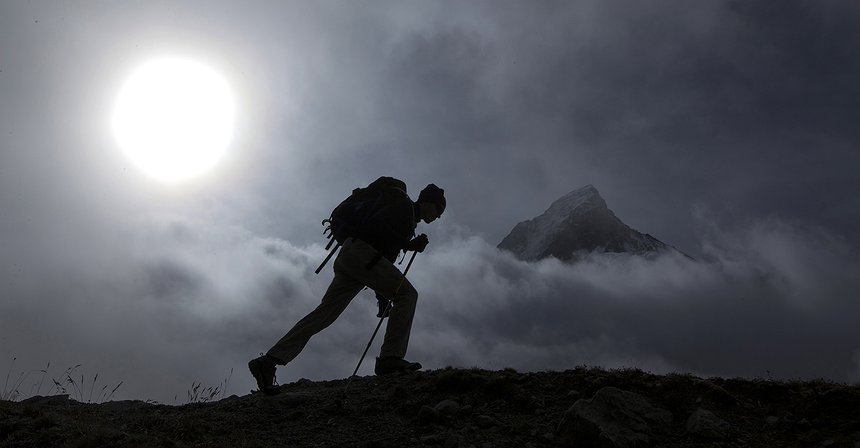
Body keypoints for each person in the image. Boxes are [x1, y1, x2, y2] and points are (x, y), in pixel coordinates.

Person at [249, 180, 446, 395]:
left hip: (351, 255)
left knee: (325, 313)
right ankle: (391, 358)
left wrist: (383, 298)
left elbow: (384, 255)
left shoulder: (404, 212)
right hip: (362, 254)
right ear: (428, 203)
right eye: (438, 209)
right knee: (408, 295)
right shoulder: (405, 208)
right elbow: (378, 230)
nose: (438, 216)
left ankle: (269, 361)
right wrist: (409, 245)